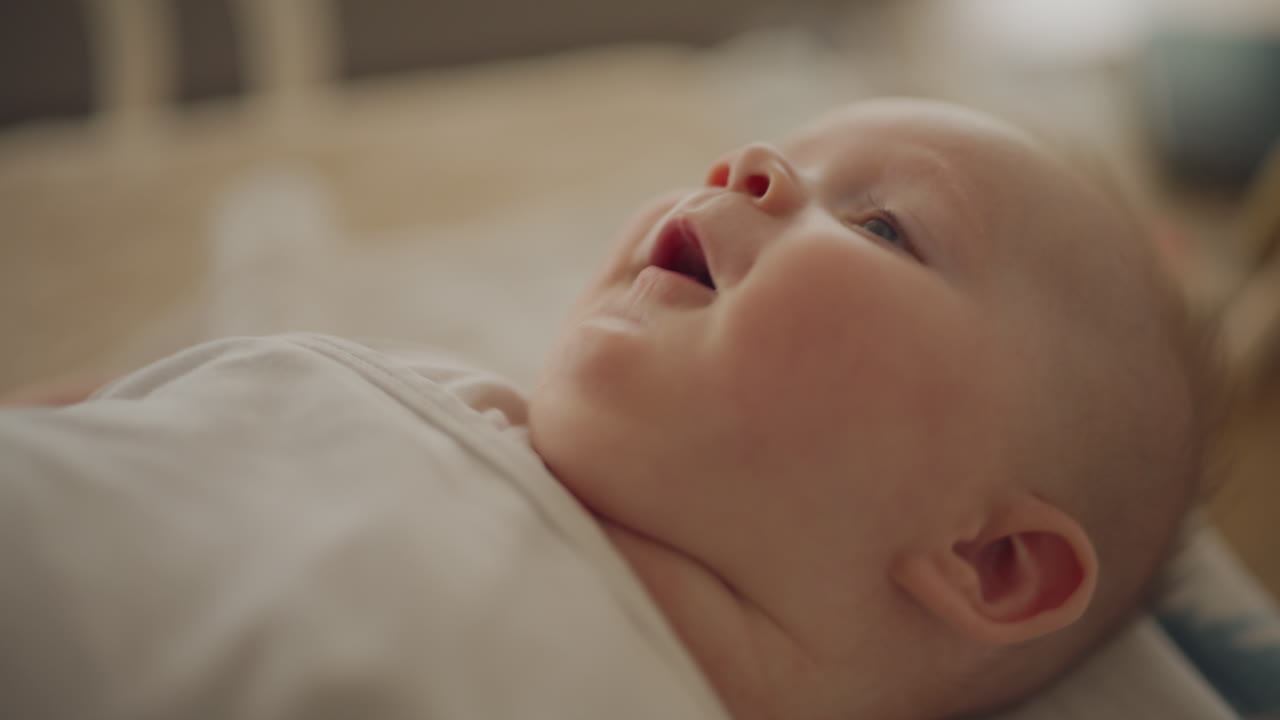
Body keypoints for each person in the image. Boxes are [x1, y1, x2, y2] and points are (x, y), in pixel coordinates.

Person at [0, 98, 1204, 720]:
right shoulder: (434, 390)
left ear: (988, 563)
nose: (746, 167)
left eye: (882, 224)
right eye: (782, 152)